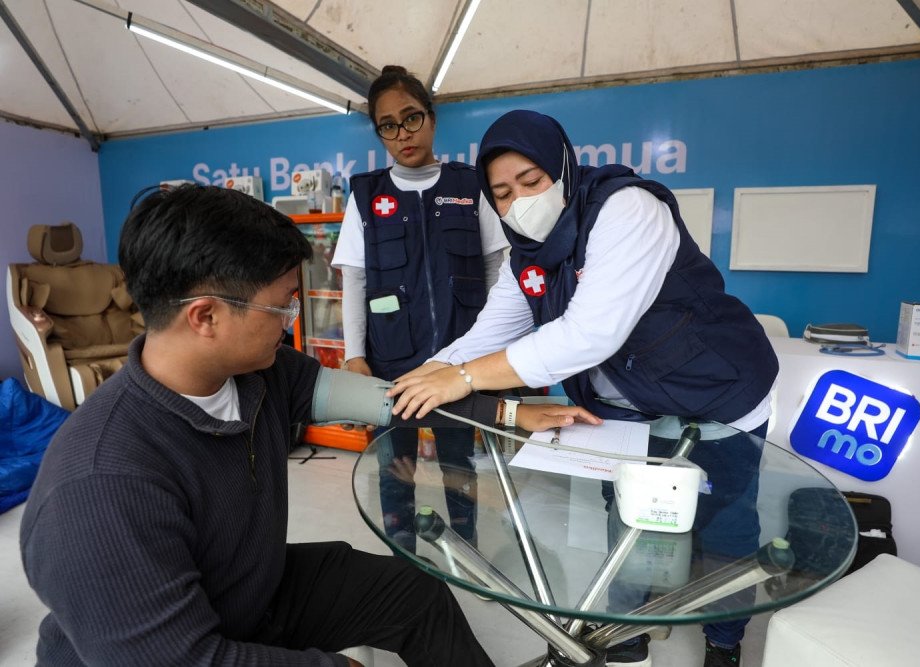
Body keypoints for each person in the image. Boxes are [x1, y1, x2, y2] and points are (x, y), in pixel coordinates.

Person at [19, 184, 597, 666]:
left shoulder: (259, 373)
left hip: (249, 591)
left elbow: (389, 401)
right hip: (162, 650)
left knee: (414, 594)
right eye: (282, 307)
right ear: (206, 316)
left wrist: (508, 412)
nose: (291, 320)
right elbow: (182, 659)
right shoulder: (100, 484)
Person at [388, 110, 780, 667]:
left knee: (725, 529)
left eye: (531, 181)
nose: (519, 203)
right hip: (627, 411)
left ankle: (725, 640)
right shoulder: (527, 254)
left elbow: (588, 336)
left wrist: (465, 378)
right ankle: (626, 629)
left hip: (716, 395)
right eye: (501, 194)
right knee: (627, 519)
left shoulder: (627, 210)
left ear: (563, 168)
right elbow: (490, 333)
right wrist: (425, 374)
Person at [332, 66, 508, 551]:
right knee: (395, 466)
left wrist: (493, 349)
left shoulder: (470, 185)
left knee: (459, 466)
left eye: (411, 118)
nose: (402, 134)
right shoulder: (366, 196)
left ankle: (466, 548)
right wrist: (354, 356)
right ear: (379, 134)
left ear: (431, 118)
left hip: (459, 362)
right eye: (388, 126)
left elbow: (497, 271)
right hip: (390, 363)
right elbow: (355, 280)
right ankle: (402, 556)